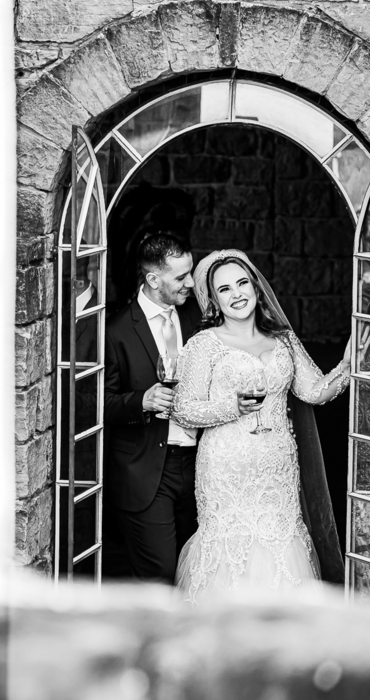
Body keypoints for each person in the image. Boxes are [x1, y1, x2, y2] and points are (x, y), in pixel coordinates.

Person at [172, 249, 349, 604]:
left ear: (255, 287)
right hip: (226, 470)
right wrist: (231, 407)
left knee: (282, 546)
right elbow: (183, 410)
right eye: (225, 289)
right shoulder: (203, 345)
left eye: (242, 283)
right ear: (214, 300)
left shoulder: (283, 340)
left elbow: (313, 392)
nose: (237, 294)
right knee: (229, 551)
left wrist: (347, 364)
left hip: (277, 468)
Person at [103, 232, 200, 583]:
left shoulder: (196, 316)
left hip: (199, 466)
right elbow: (94, 404)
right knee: (159, 574)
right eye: (181, 277)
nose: (191, 283)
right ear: (153, 280)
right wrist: (140, 401)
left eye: (190, 273)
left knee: (196, 570)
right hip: (146, 471)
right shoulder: (114, 331)